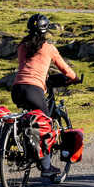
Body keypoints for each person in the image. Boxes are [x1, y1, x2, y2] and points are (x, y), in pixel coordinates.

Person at [12, 13, 78, 177]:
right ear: (46, 29)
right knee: (46, 124)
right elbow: (66, 70)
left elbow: (26, 66)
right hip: (34, 90)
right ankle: (47, 167)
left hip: (17, 89)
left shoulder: (22, 46)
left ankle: (26, 147)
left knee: (28, 119)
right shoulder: (48, 48)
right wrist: (75, 78)